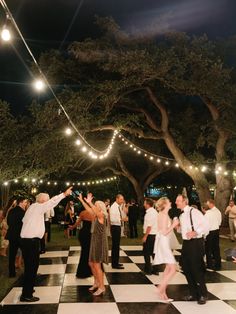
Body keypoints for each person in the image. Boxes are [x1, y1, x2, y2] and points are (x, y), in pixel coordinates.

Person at [20, 186, 72, 302]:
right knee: (31, 268)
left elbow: (24, 221)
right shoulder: (38, 207)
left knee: (30, 267)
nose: (48, 201)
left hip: (28, 241)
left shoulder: (32, 208)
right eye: (47, 199)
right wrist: (64, 194)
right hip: (31, 242)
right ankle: (26, 295)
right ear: (43, 200)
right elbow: (52, 202)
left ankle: (28, 289)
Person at [176, 194, 209, 305]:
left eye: (178, 200)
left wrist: (195, 232)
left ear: (184, 201)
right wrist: (178, 228)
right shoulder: (181, 215)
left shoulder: (194, 212)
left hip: (196, 243)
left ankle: (203, 294)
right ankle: (193, 293)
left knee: (196, 269)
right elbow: (184, 231)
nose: (176, 202)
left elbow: (205, 226)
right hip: (186, 244)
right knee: (186, 268)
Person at [78, 193, 109, 296]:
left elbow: (94, 210)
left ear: (100, 208)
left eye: (96, 205)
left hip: (99, 243)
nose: (94, 207)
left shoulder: (102, 216)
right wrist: (83, 201)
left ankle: (102, 287)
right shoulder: (95, 216)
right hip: (94, 241)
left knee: (96, 265)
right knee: (91, 263)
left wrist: (90, 202)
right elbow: (90, 209)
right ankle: (96, 283)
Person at [153, 197, 179, 302]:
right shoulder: (163, 215)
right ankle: (160, 289)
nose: (171, 202)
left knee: (168, 268)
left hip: (164, 242)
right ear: (165, 204)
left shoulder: (164, 215)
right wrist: (173, 225)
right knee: (173, 269)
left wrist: (173, 224)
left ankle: (163, 294)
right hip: (163, 243)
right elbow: (164, 232)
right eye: (169, 202)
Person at [6, 197, 28, 277]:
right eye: (25, 202)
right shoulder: (23, 212)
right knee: (26, 254)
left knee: (12, 255)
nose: (26, 204)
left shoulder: (11, 211)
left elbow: (8, 222)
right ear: (20, 202)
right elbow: (25, 224)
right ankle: (27, 271)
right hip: (20, 236)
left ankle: (11, 273)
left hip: (12, 235)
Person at [69, 207, 94, 278]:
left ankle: (82, 272)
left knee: (84, 252)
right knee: (88, 253)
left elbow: (77, 222)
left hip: (82, 234)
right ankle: (87, 271)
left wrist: (72, 227)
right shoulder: (94, 213)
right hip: (89, 234)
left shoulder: (82, 212)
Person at [110, 194, 127, 269]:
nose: (122, 201)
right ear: (117, 199)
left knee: (117, 246)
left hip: (117, 227)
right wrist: (122, 219)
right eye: (121, 199)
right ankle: (114, 264)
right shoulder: (113, 207)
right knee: (115, 246)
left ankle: (116, 262)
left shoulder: (117, 206)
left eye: (123, 199)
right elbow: (112, 219)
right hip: (115, 227)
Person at [142, 198, 158, 275]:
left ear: (148, 204)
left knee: (146, 253)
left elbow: (149, 226)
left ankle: (148, 270)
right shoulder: (155, 212)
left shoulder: (150, 213)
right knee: (153, 253)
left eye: (144, 203)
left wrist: (145, 236)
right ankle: (155, 270)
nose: (143, 205)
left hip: (150, 235)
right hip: (154, 235)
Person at [205, 199, 222, 270]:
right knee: (216, 248)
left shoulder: (208, 212)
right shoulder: (218, 211)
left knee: (208, 248)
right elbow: (219, 222)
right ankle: (218, 264)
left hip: (210, 232)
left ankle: (209, 264)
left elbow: (205, 223)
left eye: (208, 204)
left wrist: (205, 234)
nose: (207, 205)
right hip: (216, 231)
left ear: (211, 204)